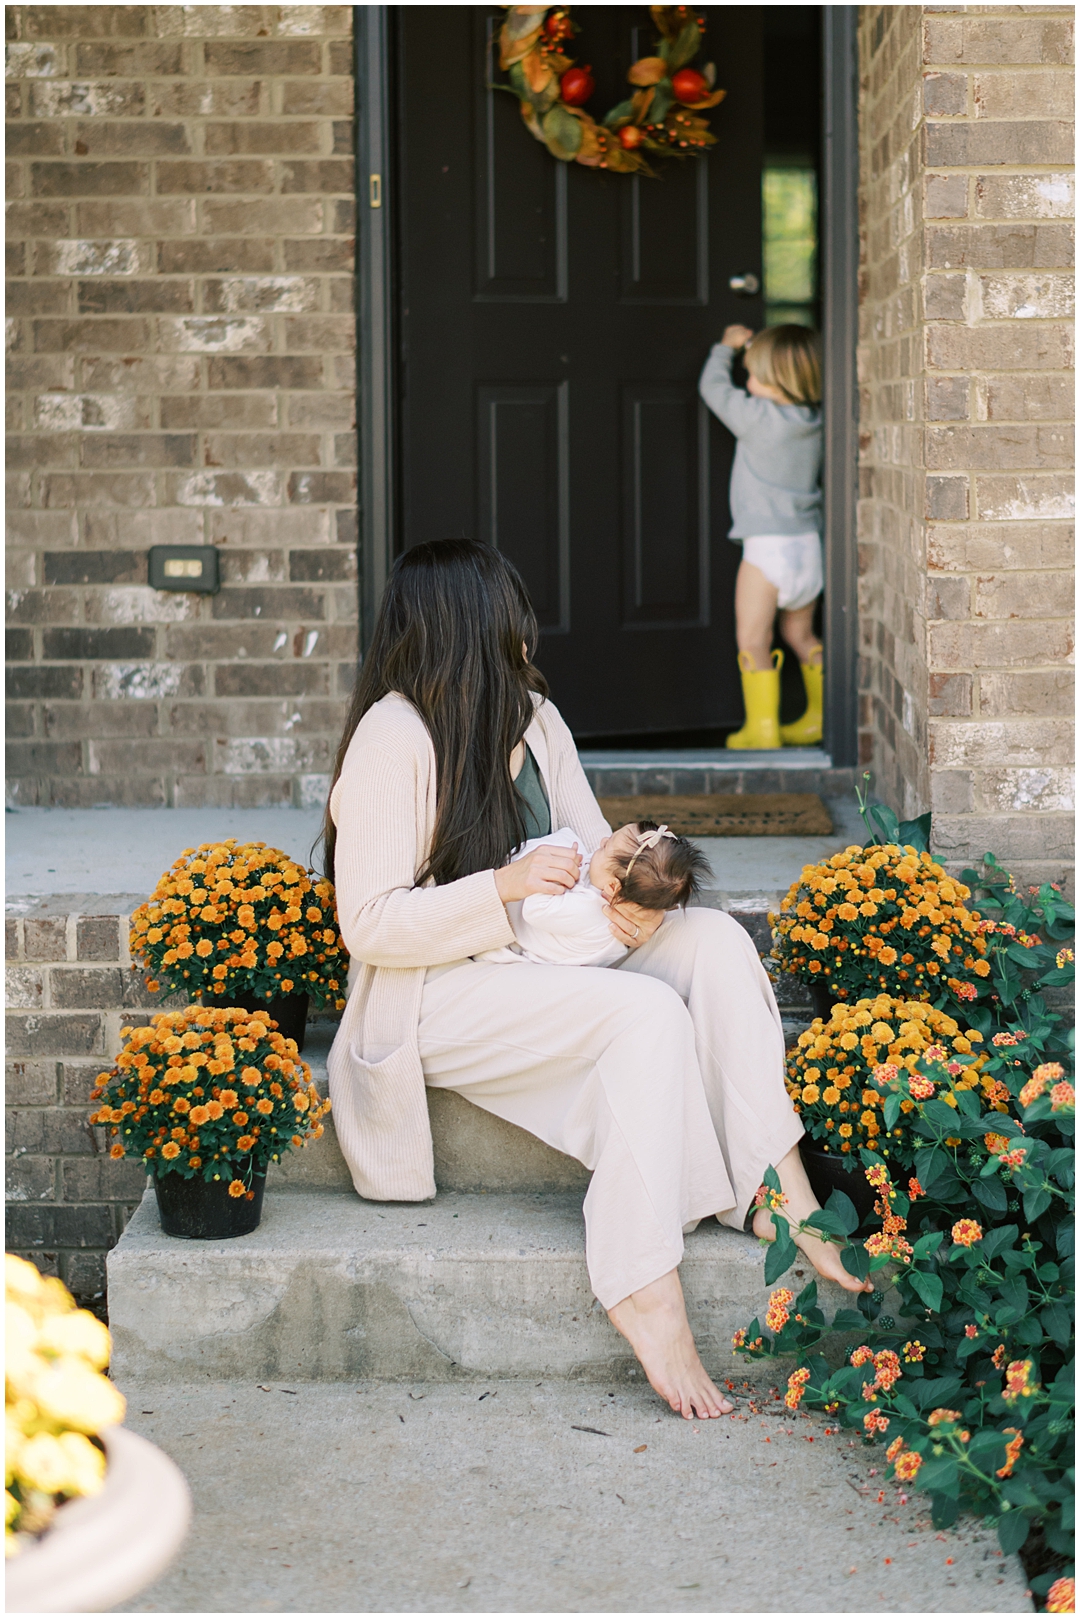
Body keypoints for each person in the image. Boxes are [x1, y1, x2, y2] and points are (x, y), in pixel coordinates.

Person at [324, 538, 870, 1423]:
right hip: (438, 988)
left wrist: (622, 886)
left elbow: (588, 843)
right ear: (465, 630)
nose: (525, 638)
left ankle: (782, 1190)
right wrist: (499, 887)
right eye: (509, 622)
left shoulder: (534, 718)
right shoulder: (394, 737)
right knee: (646, 1016)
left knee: (714, 943)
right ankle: (641, 1282)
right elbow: (372, 925)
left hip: (547, 954)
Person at [699, 323, 824, 750]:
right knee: (801, 636)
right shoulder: (817, 420)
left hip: (766, 551)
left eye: (752, 373)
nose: (746, 382)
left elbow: (713, 389)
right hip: (809, 549)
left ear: (773, 380)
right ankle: (818, 718)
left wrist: (726, 348)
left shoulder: (756, 417)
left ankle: (763, 729)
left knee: (754, 639)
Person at [478, 820, 711, 968]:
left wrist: (559, 867)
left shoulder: (592, 912)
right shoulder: (607, 884)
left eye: (604, 847)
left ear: (612, 888)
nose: (601, 840)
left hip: (517, 954)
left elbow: (534, 909)